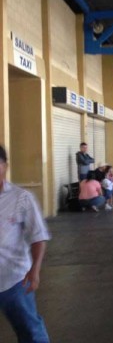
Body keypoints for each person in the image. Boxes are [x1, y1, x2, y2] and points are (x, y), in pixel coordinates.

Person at [0, 144, 51, 342]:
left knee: (30, 331)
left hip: (15, 280)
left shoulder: (21, 198)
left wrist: (35, 271)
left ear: (5, 166)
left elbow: (38, 236)